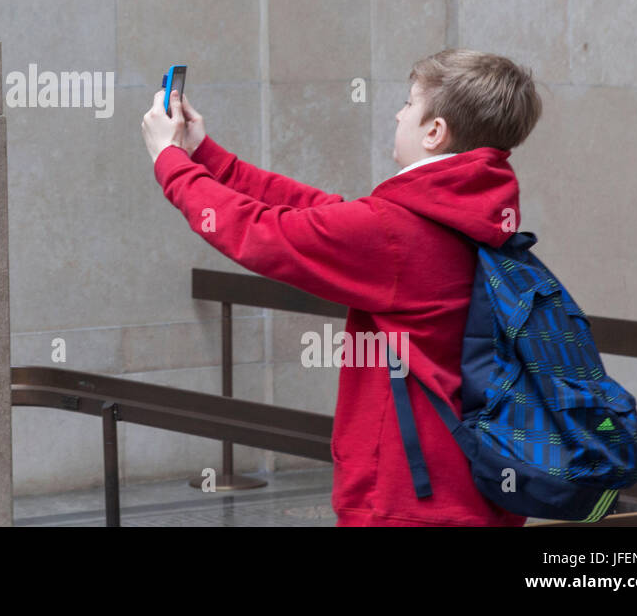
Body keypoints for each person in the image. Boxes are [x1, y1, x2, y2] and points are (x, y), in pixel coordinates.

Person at [142, 48, 543, 526]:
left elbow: (262, 231)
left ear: (435, 133)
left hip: (406, 500)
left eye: (410, 104)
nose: (398, 113)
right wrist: (205, 156)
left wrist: (169, 161)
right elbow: (316, 212)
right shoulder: (471, 212)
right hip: (477, 490)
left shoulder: (393, 234)